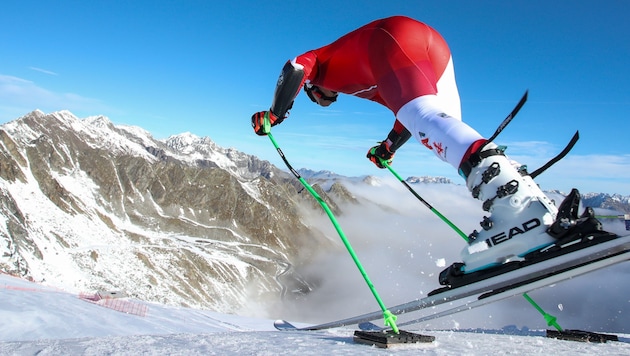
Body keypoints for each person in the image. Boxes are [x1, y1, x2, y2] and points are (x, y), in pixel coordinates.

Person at [251, 15, 561, 274]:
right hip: (430, 48)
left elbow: (293, 67)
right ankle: (530, 203)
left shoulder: (320, 63)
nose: (322, 99)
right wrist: (388, 148)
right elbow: (408, 120)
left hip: (393, 38)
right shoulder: (370, 84)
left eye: (315, 95)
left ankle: (518, 207)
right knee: (446, 132)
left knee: (425, 117)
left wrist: (276, 113)